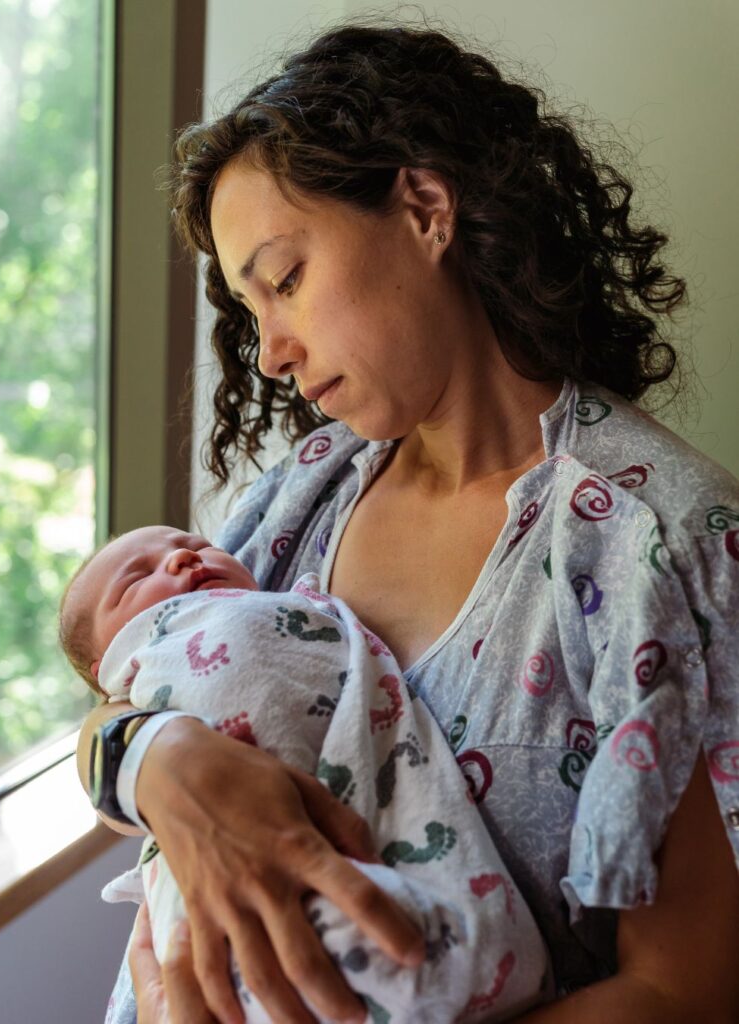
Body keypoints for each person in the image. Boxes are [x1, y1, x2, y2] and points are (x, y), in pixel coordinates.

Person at [76, 21, 739, 1024]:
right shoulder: (303, 495)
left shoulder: (663, 545)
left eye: (286, 280)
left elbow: (684, 991)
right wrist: (156, 758)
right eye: (251, 312)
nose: (270, 355)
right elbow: (137, 665)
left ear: (425, 209)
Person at [60, 524, 552, 1022]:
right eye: (135, 579)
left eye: (196, 546)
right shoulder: (286, 506)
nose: (183, 559)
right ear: (112, 667)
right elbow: (107, 740)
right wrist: (150, 751)